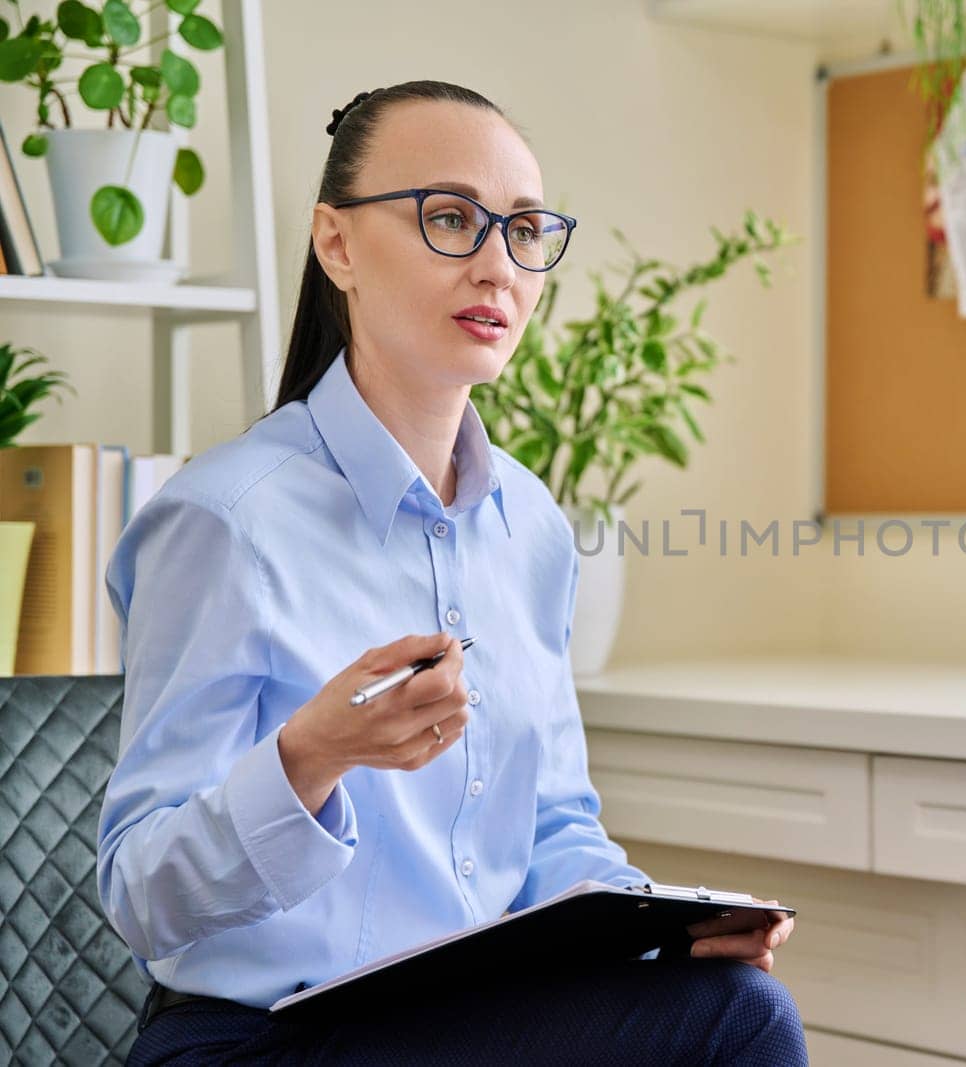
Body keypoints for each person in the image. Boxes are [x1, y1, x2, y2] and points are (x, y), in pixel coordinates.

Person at [97, 80, 805, 1066]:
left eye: (523, 230)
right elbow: (142, 894)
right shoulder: (226, 520)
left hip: (454, 1019)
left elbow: (556, 826)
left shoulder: (534, 529)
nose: (496, 264)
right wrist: (309, 756)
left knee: (723, 988)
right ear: (335, 243)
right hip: (252, 1042)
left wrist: (661, 924)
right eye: (449, 219)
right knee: (741, 1022)